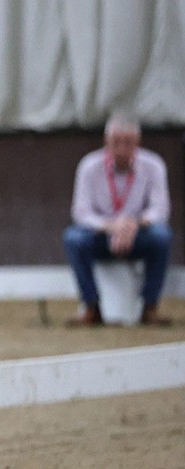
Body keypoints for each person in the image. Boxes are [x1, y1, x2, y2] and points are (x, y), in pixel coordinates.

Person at [63, 113, 173, 326]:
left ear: (138, 143)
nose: (122, 148)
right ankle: (91, 307)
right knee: (73, 238)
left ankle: (150, 307)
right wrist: (111, 226)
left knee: (162, 237)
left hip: (139, 234)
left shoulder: (154, 165)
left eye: (128, 142)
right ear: (107, 142)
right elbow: (81, 212)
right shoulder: (89, 167)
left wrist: (133, 224)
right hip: (101, 235)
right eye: (116, 142)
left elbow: (160, 210)